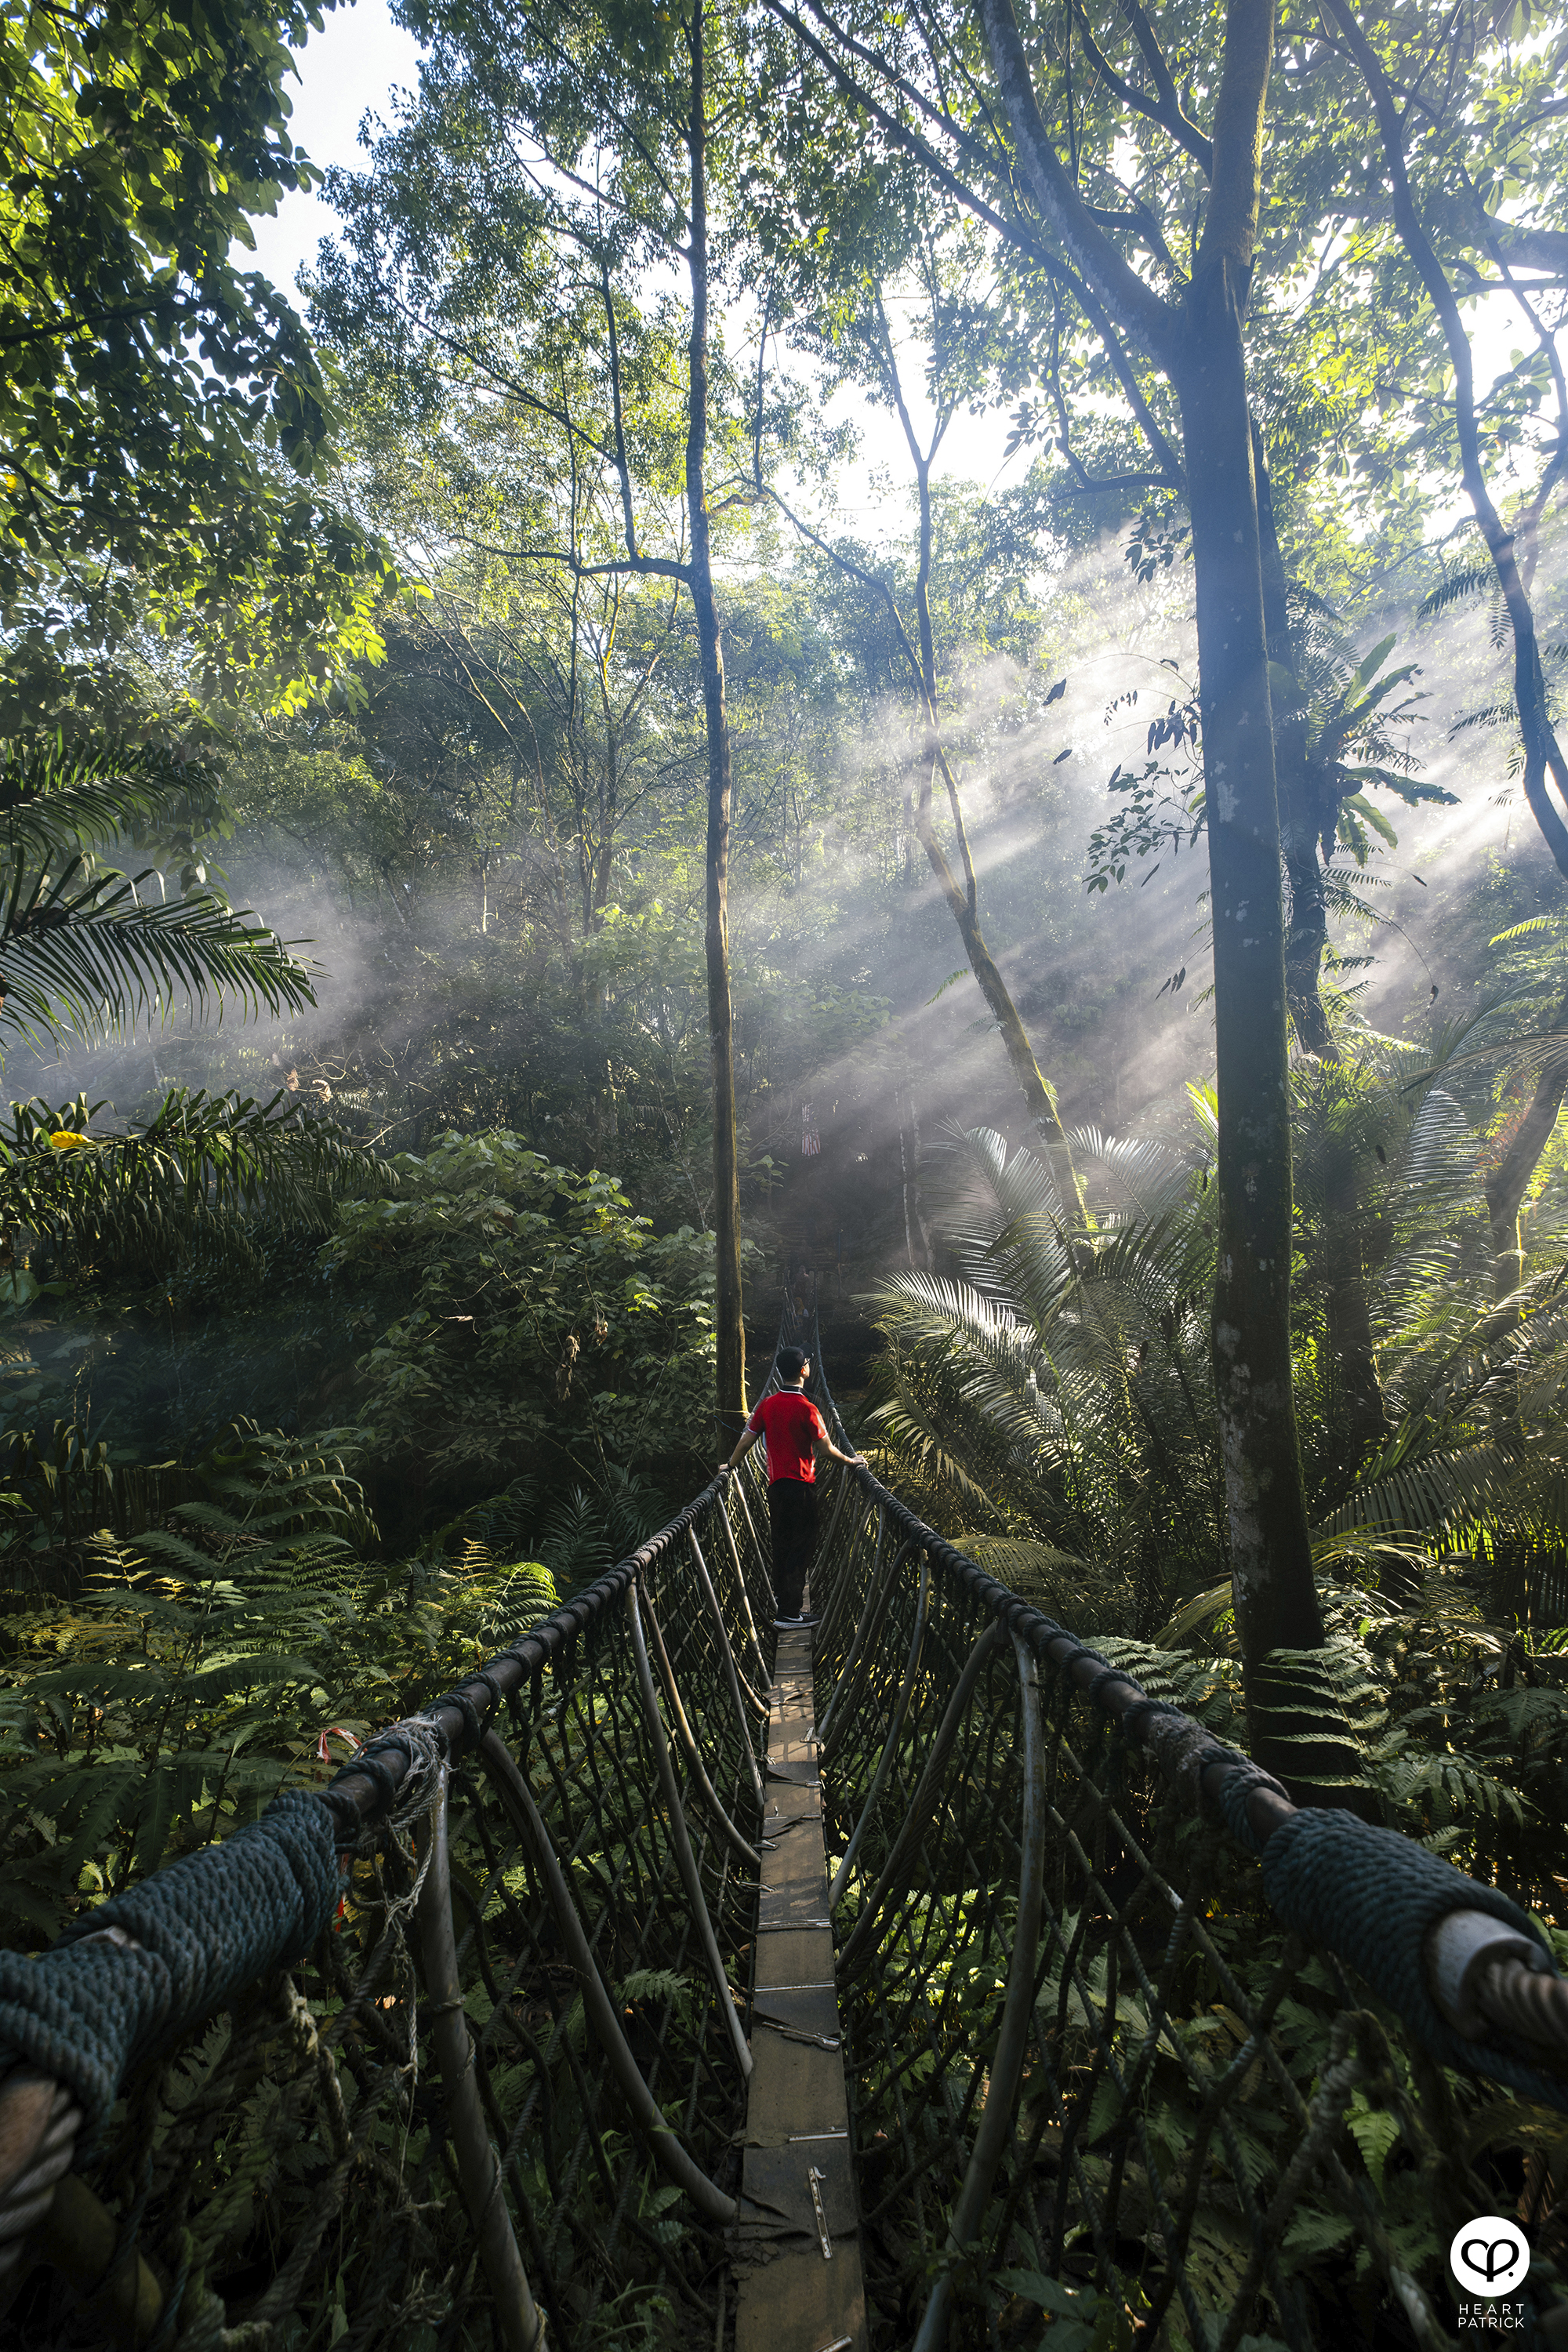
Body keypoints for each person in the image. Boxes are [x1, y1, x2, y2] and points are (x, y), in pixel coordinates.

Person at [725, 1346, 864, 1628]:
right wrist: (852, 1461)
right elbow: (826, 1450)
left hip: (776, 1488)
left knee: (782, 1544)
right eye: (807, 1362)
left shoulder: (767, 1405)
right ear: (803, 1370)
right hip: (801, 1488)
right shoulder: (807, 1408)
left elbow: (746, 1441)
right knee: (802, 1546)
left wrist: (729, 1465)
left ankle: (784, 1604)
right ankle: (790, 1613)